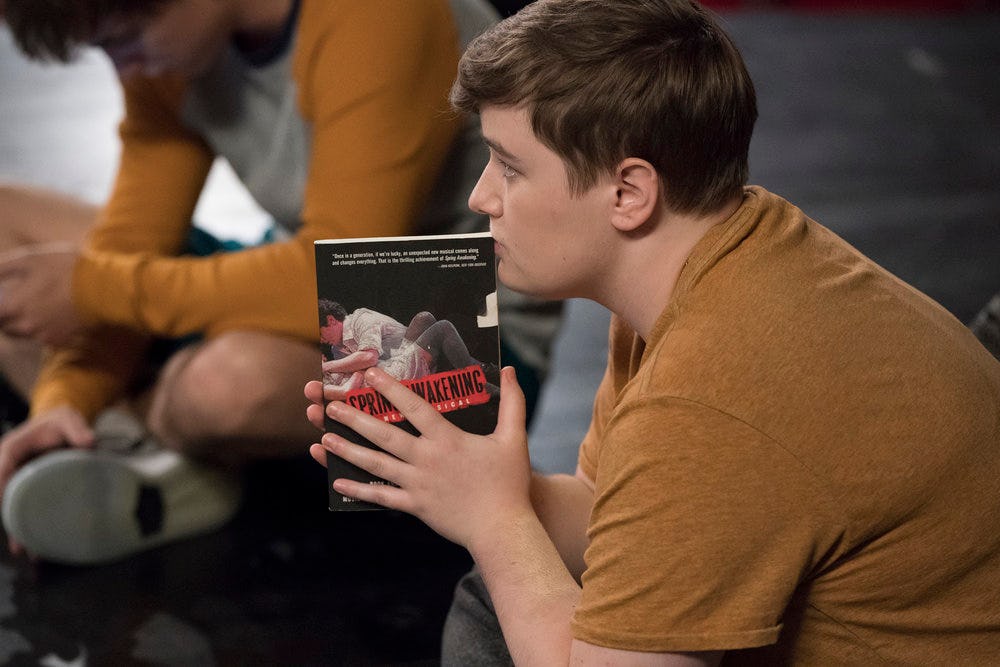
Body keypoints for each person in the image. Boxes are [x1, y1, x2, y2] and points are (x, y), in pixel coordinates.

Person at [304, 0, 1000, 663]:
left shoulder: (710, 391)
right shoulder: (727, 254)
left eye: (510, 167)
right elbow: (609, 515)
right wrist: (460, 476)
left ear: (629, 193)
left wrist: (493, 518)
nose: (480, 197)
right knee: (503, 587)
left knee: (497, 597)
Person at [0, 0, 562, 564]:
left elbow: (338, 275)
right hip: (317, 296)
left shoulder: (379, 14)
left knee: (226, 384)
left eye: (124, 36)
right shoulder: (165, 56)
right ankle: (151, 446)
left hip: (467, 336)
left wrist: (92, 292)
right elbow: (131, 248)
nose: (123, 68)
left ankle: (152, 436)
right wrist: (64, 399)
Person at [318, 300, 496, 400]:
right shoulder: (335, 352)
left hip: (405, 356)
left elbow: (368, 358)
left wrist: (329, 366)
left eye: (319, 333)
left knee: (425, 319)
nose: (320, 340)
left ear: (331, 320)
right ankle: (479, 372)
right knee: (441, 326)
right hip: (398, 372)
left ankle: (478, 372)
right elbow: (357, 373)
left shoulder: (360, 319)